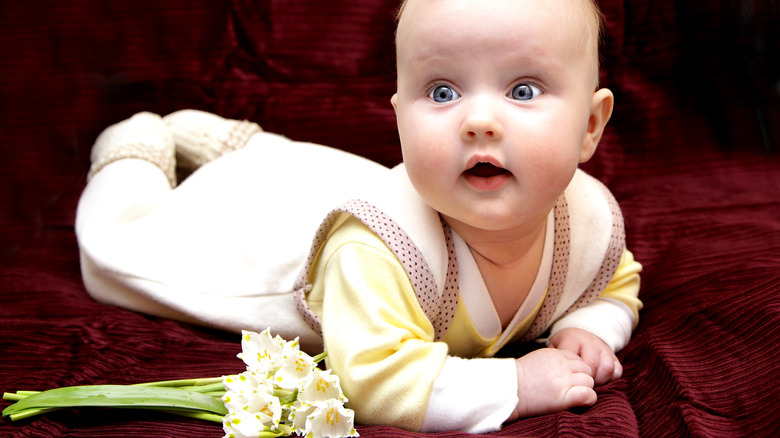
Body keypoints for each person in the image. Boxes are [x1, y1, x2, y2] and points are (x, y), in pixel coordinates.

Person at [76, 0, 641, 433]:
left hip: (329, 181)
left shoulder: (584, 219)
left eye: (523, 89)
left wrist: (588, 327)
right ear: (399, 121)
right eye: (442, 92)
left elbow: (615, 282)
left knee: (297, 166)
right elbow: (373, 378)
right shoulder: (373, 248)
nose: (480, 121)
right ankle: (133, 151)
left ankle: (233, 142)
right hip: (260, 242)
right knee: (118, 254)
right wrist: (514, 383)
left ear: (591, 126)